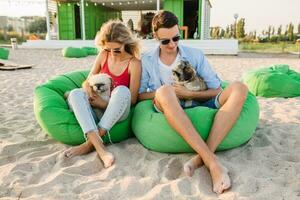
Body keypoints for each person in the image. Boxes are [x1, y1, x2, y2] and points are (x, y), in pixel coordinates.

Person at [138, 11, 248, 194]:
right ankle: (213, 163)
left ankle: (200, 158)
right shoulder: (147, 60)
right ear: (155, 36)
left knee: (240, 88)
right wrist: (172, 94)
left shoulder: (195, 55)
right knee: (164, 90)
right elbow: (140, 95)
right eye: (165, 41)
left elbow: (217, 89)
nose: (172, 44)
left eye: (176, 38)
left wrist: (189, 93)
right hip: (169, 106)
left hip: (198, 101)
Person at [64, 20, 141, 168]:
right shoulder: (103, 55)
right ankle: (99, 147)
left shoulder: (134, 63)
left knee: (122, 90)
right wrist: (88, 92)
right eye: (108, 48)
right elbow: (86, 82)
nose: (112, 53)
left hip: (117, 111)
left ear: (126, 43)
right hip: (95, 109)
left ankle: (91, 145)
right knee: (75, 93)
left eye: (117, 49)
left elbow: (132, 99)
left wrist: (102, 103)